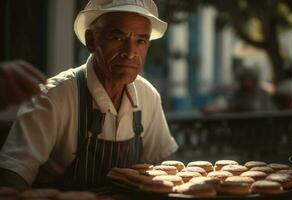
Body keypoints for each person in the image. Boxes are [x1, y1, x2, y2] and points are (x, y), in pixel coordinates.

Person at [0, 0, 178, 190]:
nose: (130, 52)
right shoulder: (53, 97)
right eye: (117, 38)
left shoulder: (148, 96)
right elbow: (12, 174)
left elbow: (162, 166)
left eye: (140, 41)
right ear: (92, 41)